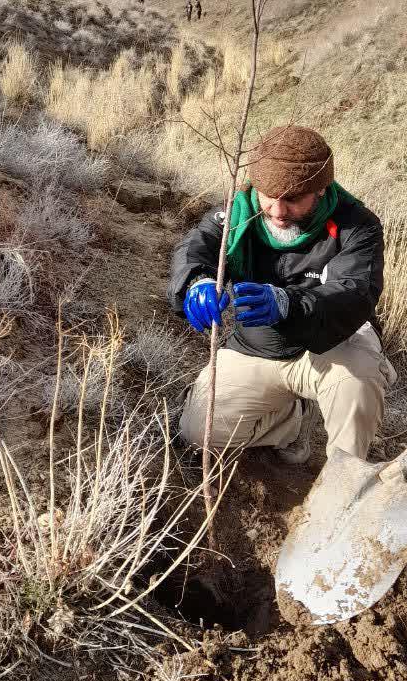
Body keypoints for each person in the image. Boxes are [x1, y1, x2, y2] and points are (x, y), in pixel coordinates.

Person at [168, 124, 395, 465]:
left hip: (332, 340)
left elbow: (354, 292)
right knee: (199, 432)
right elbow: (196, 248)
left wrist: (288, 303)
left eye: (292, 199)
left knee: (357, 380)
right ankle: (292, 420)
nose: (276, 212)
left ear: (320, 190)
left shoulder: (357, 225)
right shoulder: (236, 214)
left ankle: (342, 485)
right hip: (258, 346)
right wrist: (195, 282)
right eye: (268, 196)